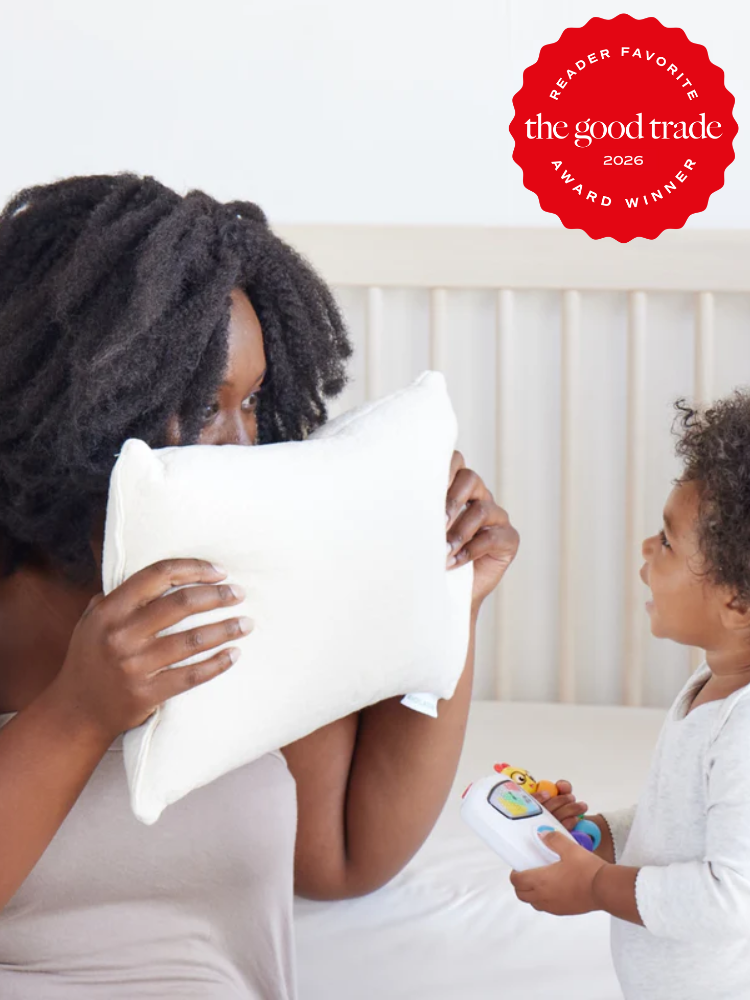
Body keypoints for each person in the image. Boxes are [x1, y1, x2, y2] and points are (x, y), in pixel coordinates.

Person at [0, 173, 521, 998]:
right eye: (208, 405)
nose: (246, 447)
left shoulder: (248, 582)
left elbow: (345, 857)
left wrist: (453, 600)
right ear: (84, 398)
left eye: (253, 406)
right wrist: (79, 713)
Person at [510, 391, 750, 1000]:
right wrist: (598, 839)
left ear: (737, 604)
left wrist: (596, 886)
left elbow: (729, 898)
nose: (647, 549)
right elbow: (688, 826)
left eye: (667, 542)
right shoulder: (715, 688)